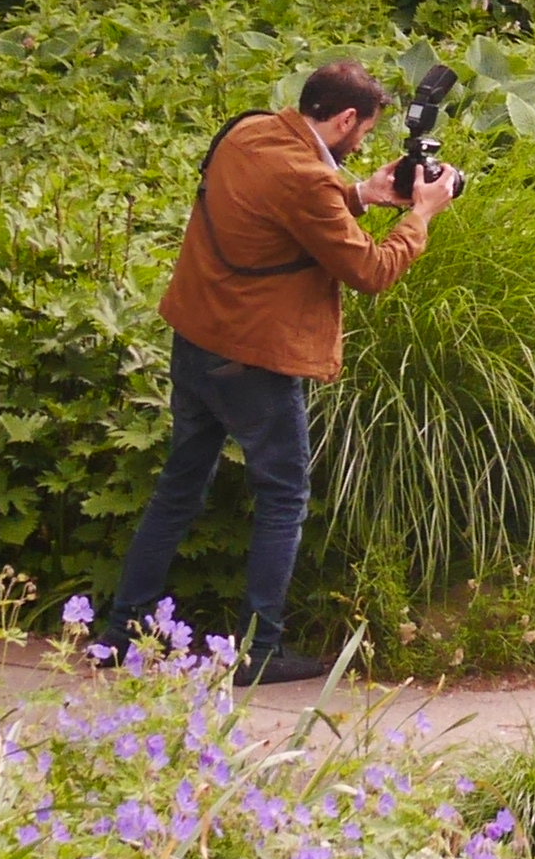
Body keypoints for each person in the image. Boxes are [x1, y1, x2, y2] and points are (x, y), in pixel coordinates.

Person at [96, 60, 455, 683]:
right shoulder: (310, 178)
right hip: (253, 358)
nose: (362, 145)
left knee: (179, 487)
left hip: (196, 337)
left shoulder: (250, 131)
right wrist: (419, 215)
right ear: (344, 119)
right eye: (363, 134)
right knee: (284, 495)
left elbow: (279, 199)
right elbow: (370, 271)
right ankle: (259, 651)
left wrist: (362, 193)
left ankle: (120, 631)